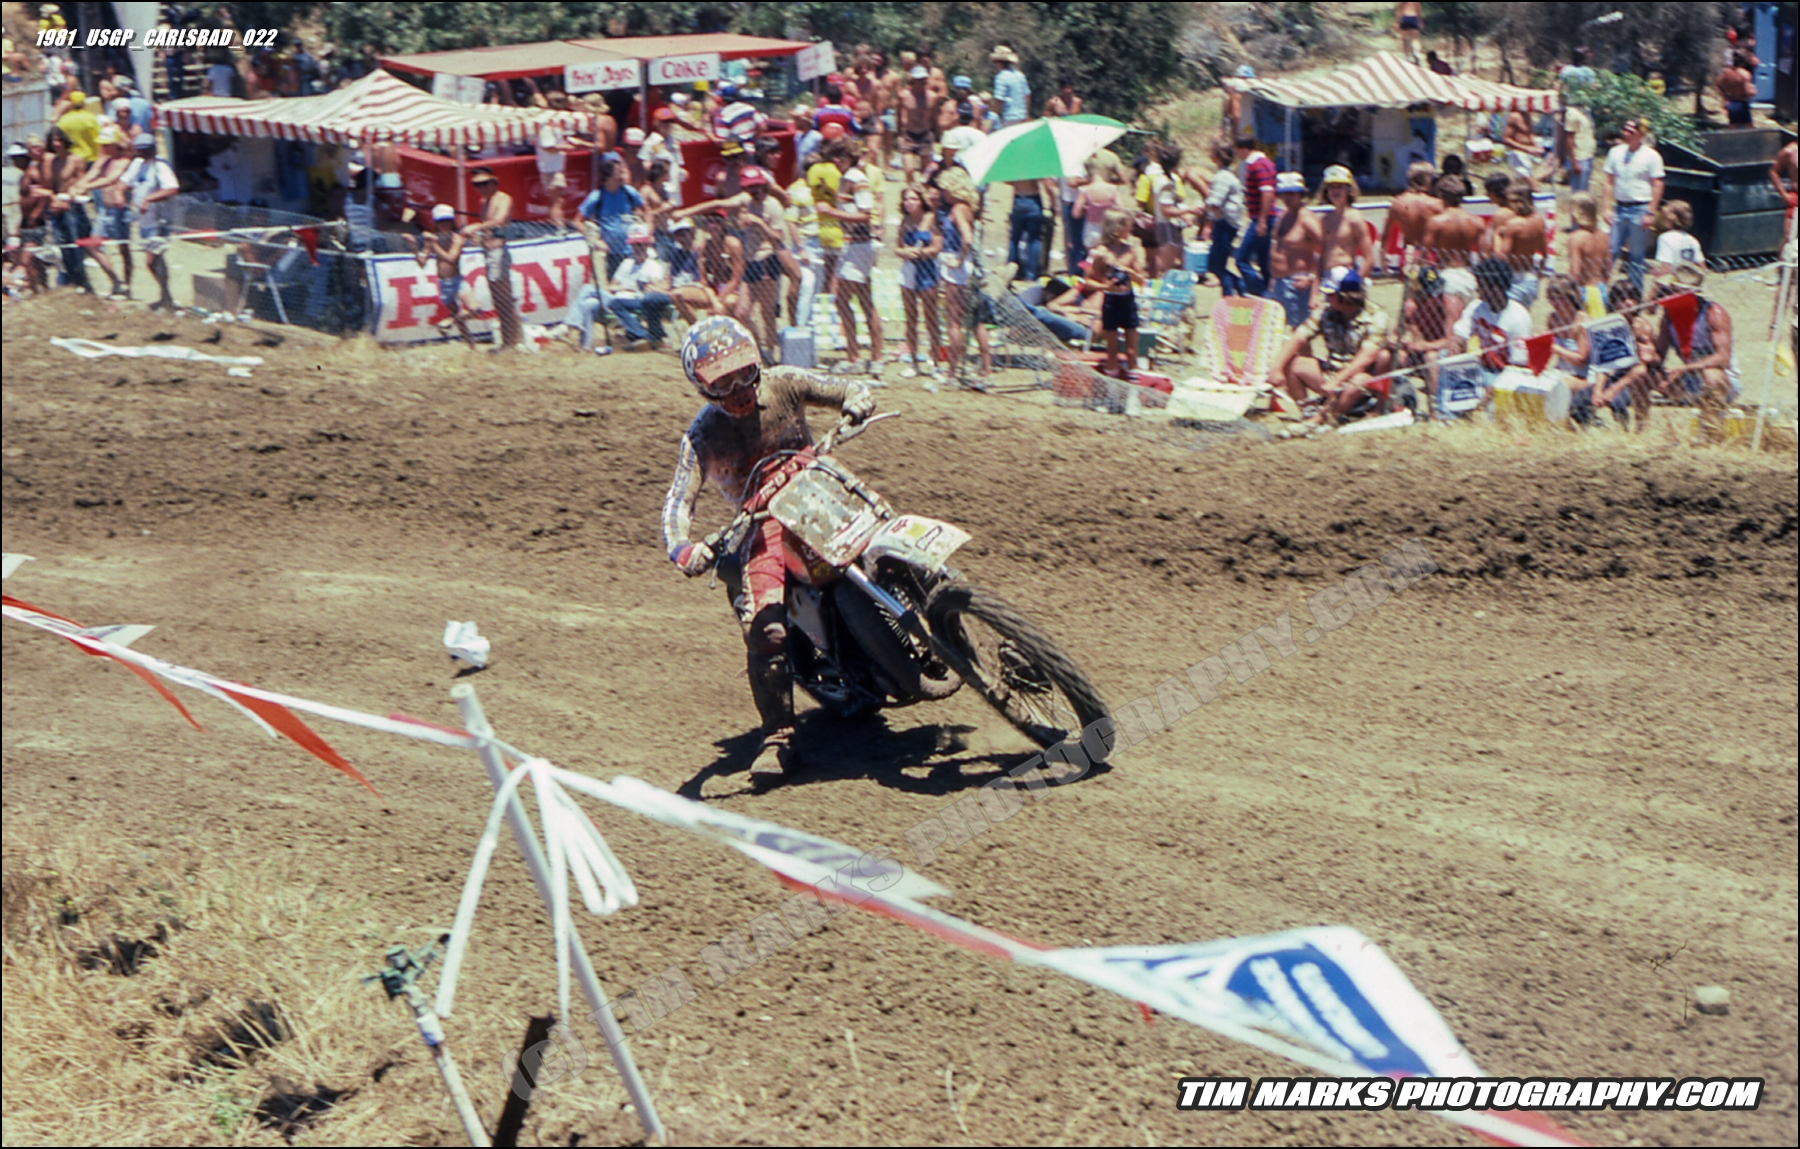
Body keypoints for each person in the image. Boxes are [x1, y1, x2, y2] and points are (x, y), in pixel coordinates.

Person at [662, 316, 877, 778]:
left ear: (757, 362)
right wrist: (683, 547)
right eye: (723, 383)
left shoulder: (784, 383)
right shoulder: (701, 436)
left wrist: (857, 398)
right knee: (766, 630)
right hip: (762, 525)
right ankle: (779, 738)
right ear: (704, 390)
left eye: (744, 373)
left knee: (885, 534)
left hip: (821, 491)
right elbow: (678, 500)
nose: (739, 388)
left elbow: (841, 387)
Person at [1274, 267, 1393, 423]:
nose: (1327, 298)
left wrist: (1337, 380)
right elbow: (1299, 337)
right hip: (1331, 372)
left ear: (1346, 296)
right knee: (1294, 363)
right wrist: (1276, 368)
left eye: (1331, 294)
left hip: (1358, 380)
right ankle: (1308, 413)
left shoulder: (1376, 316)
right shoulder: (1326, 311)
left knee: (1361, 379)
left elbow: (1366, 357)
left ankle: (1323, 417)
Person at [931, 172, 993, 385]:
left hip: (958, 268)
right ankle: (986, 367)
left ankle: (953, 370)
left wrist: (958, 260)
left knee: (954, 321)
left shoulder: (958, 209)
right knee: (975, 320)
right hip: (969, 267)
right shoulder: (968, 209)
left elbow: (967, 238)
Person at [826, 156, 884, 373]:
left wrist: (831, 212)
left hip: (858, 246)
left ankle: (855, 357)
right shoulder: (850, 178)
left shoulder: (856, 179)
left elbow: (865, 215)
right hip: (856, 246)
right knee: (865, 302)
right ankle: (875, 358)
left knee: (844, 301)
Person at [1600, 117, 1664, 296]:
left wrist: (1651, 211)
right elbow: (1608, 181)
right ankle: (1601, 293)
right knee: (1610, 252)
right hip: (1619, 208)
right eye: (1625, 130)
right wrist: (1606, 207)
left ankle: (1634, 297)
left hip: (1640, 208)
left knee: (1636, 256)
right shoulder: (1615, 153)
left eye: (1631, 131)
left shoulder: (1651, 156)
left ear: (1641, 134)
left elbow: (1657, 184)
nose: (1626, 134)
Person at [1452, 258, 1533, 396]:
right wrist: (1455, 357)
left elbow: (1517, 367)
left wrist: (1489, 391)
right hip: (1482, 368)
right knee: (1443, 358)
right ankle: (1444, 413)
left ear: (1496, 288)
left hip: (1506, 374)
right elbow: (1458, 336)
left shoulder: (1518, 318)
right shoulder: (1476, 307)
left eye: (1481, 286)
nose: (1477, 290)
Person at [1394, 265, 1464, 419]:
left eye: (1436, 290)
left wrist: (1424, 346)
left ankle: (1435, 409)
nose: (1433, 296)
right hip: (1421, 350)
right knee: (1399, 356)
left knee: (1431, 357)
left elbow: (1452, 341)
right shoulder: (1412, 306)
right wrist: (1401, 341)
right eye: (1427, 293)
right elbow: (1394, 335)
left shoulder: (1450, 303)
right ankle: (1401, 404)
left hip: (1444, 352)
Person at [1083, 208, 1146, 378]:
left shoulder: (1130, 250)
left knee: (1132, 351)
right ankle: (1112, 391)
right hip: (1111, 301)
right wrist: (1105, 287)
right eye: (1127, 226)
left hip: (1128, 300)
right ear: (1117, 228)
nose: (1130, 229)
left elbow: (1142, 280)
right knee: (1112, 351)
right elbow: (1087, 281)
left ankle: (1134, 389)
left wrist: (1130, 273)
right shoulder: (1100, 253)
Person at [732, 166, 787, 359]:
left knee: (767, 311)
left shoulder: (772, 206)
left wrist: (759, 223)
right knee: (741, 312)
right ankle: (758, 349)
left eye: (756, 186)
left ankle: (771, 352)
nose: (754, 190)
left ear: (763, 185)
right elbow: (720, 204)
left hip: (767, 260)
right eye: (750, 187)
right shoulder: (746, 202)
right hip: (751, 261)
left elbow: (778, 239)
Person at [463, 167, 520, 349]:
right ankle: (507, 341)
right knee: (497, 299)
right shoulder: (483, 203)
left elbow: (500, 221)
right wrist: (477, 237)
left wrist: (476, 227)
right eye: (476, 184)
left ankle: (512, 341)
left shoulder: (504, 199)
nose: (480, 188)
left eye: (484, 183)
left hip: (499, 252)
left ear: (494, 182)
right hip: (487, 252)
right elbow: (486, 230)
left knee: (504, 298)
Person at [894, 185, 945, 388]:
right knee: (911, 317)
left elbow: (937, 246)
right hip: (908, 269)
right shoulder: (905, 221)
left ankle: (934, 359)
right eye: (906, 199)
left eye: (913, 199)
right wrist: (905, 252)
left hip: (926, 269)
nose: (909, 203)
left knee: (931, 316)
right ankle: (914, 361)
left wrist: (922, 253)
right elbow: (897, 247)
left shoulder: (930, 219)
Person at [1593, 277, 1658, 433]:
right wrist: (1598, 389)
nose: (1628, 303)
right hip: (1616, 372)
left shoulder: (1642, 326)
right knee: (1592, 388)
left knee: (1640, 369)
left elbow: (1647, 360)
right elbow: (1604, 365)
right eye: (1622, 299)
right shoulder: (1608, 326)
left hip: (1636, 377)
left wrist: (1643, 347)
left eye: (1632, 298)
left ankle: (1639, 427)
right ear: (1614, 303)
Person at [1266, 171, 1321, 328]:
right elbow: (1277, 247)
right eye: (1284, 194)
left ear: (1300, 194)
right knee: (1275, 331)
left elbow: (1324, 250)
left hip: (1297, 284)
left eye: (1292, 193)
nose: (1287, 198)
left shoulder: (1307, 219)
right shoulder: (1283, 215)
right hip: (1278, 283)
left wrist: (1312, 281)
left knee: (1300, 335)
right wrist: (1273, 278)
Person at [41, 126, 92, 293]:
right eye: (53, 141)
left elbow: (82, 181)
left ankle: (83, 282)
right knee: (62, 246)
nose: (56, 144)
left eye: (58, 140)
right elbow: (52, 186)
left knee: (76, 244)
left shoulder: (75, 160)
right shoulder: (53, 162)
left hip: (73, 206)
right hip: (59, 207)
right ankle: (71, 280)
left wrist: (75, 191)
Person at [607, 222, 674, 348]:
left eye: (640, 245)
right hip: (622, 295)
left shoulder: (652, 265)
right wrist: (626, 288)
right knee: (590, 293)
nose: (637, 248)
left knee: (614, 303)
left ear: (646, 245)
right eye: (634, 245)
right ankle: (644, 335)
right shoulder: (627, 263)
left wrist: (646, 287)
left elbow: (655, 286)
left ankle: (643, 335)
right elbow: (611, 286)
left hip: (639, 298)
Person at [418, 203, 475, 347]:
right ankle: (472, 347)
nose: (445, 225)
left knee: (475, 308)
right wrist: (414, 247)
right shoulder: (433, 239)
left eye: (447, 221)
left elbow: (451, 258)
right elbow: (422, 262)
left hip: (457, 281)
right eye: (441, 222)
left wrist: (433, 244)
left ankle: (450, 321)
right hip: (443, 282)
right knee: (461, 322)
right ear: (435, 223)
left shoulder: (457, 238)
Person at [1543, 275, 1595, 426]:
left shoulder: (1582, 321)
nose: (1555, 303)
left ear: (1570, 297)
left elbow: (1581, 359)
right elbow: (1547, 352)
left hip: (1584, 376)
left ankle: (1560, 423)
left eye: (1560, 298)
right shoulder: (1553, 319)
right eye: (1552, 298)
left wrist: (1555, 348)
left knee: (1560, 385)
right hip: (1560, 371)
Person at [579, 158, 644, 278]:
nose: (623, 174)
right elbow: (577, 221)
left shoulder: (629, 192)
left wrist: (647, 229)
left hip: (634, 251)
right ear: (608, 176)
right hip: (611, 254)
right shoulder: (597, 197)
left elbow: (646, 211)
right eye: (619, 171)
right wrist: (594, 240)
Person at [1315, 165, 1372, 295]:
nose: (1335, 191)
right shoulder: (1325, 219)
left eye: (1340, 186)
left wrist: (1354, 282)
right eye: (1331, 187)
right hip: (1327, 279)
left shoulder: (1355, 218)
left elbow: (1369, 258)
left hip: (1347, 277)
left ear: (1348, 190)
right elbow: (1322, 255)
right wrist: (1315, 289)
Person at [1233, 134, 1277, 298]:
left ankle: (1259, 291)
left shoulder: (1257, 165)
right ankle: (1268, 291)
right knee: (1263, 260)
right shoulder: (1264, 163)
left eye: (1237, 150)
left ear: (1244, 149)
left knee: (1241, 258)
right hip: (1265, 217)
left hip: (1261, 218)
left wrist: (1262, 221)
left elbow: (1266, 192)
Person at [1492, 181, 1548, 305]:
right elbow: (1544, 252)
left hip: (1514, 277)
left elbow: (1501, 256)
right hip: (1530, 274)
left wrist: (1496, 234)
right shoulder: (1539, 220)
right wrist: (1541, 271)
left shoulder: (1514, 224)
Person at [1203, 140, 1245, 295]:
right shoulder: (1225, 176)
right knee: (1217, 264)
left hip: (1226, 224)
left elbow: (1215, 202)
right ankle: (1235, 290)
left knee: (1217, 265)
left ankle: (1235, 291)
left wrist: (1202, 207)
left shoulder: (1223, 177)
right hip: (1224, 223)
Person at [1381, 162, 1442, 269]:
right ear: (1426, 180)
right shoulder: (1436, 204)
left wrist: (1382, 257)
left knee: (1409, 284)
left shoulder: (1397, 203)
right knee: (1431, 284)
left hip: (1408, 253)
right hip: (1428, 253)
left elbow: (1385, 235)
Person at [10, 141, 48, 295]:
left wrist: (37, 212)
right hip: (26, 222)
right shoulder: (22, 176)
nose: (15, 162)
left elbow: (44, 193)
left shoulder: (34, 172)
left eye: (18, 158)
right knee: (33, 260)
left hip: (37, 222)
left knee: (26, 259)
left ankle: (38, 289)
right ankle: (39, 289)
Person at [1007, 172, 1054, 283]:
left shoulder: (1015, 163)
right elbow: (1048, 184)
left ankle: (1012, 270)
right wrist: (1054, 201)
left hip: (1018, 198)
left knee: (1014, 238)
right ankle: (1031, 274)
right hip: (1033, 199)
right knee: (1034, 239)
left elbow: (1007, 181)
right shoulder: (1035, 165)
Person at [1566, 191, 1610, 307]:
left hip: (1584, 290)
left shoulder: (1576, 238)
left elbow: (1575, 272)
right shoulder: (1604, 236)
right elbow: (1607, 268)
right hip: (1600, 289)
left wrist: (1572, 293)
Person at [896, 65, 935, 182]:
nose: (921, 83)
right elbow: (898, 114)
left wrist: (937, 135)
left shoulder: (932, 96)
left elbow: (934, 117)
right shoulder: (904, 95)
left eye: (923, 80)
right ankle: (910, 190)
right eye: (918, 80)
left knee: (925, 171)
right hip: (909, 134)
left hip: (925, 134)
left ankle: (922, 194)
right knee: (909, 169)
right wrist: (899, 134)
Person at [1651, 201, 1703, 277]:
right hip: (1687, 281)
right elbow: (1702, 267)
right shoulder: (1692, 240)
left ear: (1668, 219)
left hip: (1672, 283)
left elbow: (1665, 269)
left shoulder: (1665, 238)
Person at [1560, 90, 1596, 193]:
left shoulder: (1586, 111)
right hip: (1579, 158)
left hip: (1588, 155)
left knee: (1585, 190)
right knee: (1578, 192)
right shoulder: (1572, 113)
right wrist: (1574, 161)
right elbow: (1569, 138)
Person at [1501, 108, 1544, 189]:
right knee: (1531, 183)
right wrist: (1526, 148)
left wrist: (1536, 145)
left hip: (1526, 154)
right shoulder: (1514, 116)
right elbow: (1506, 139)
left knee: (1521, 183)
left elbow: (1529, 133)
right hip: (1517, 153)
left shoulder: (1527, 115)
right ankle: (1538, 197)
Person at [56, 90, 101, 161]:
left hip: (72, 160)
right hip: (91, 158)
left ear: (71, 103)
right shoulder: (91, 118)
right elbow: (99, 136)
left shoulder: (64, 120)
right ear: (84, 103)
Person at [990, 46, 1029, 127]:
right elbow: (1027, 95)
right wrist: (1026, 114)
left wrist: (989, 121)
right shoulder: (1020, 75)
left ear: (999, 63)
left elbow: (998, 100)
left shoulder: (1001, 77)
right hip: (1022, 116)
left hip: (1009, 117)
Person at [1718, 52, 1756, 129]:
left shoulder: (1727, 72)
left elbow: (1718, 85)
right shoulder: (1745, 74)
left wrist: (1725, 97)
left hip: (1731, 103)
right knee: (1748, 127)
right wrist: (1753, 91)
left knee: (1733, 126)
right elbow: (1749, 92)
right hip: (1741, 103)